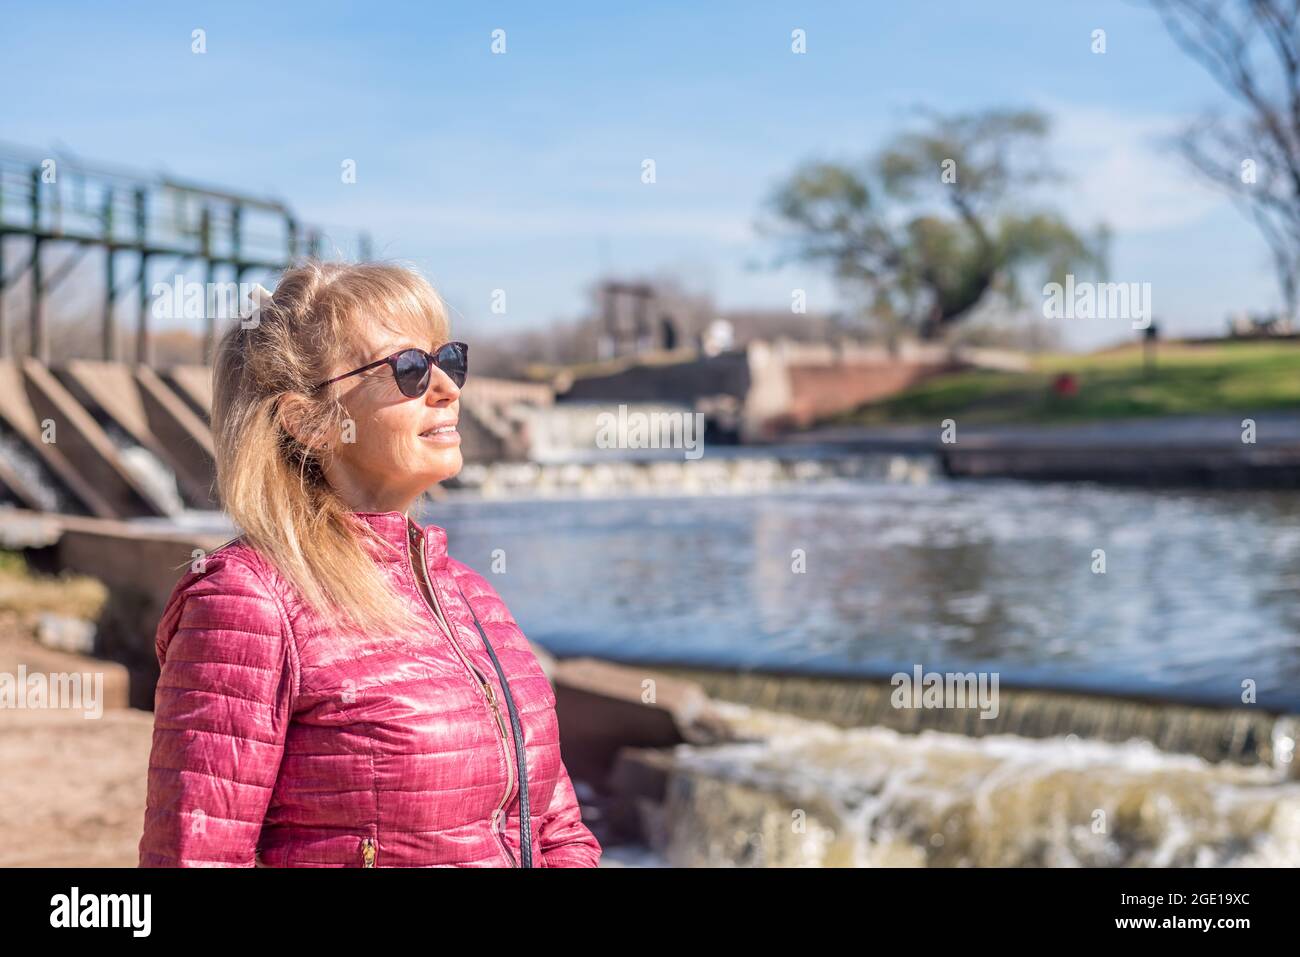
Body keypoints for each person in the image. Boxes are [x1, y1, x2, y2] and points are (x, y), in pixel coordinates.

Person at [137, 259, 601, 867]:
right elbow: (196, 858)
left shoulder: (473, 599)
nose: (448, 388)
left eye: (448, 360)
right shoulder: (247, 601)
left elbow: (557, 830)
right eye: (408, 369)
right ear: (308, 422)